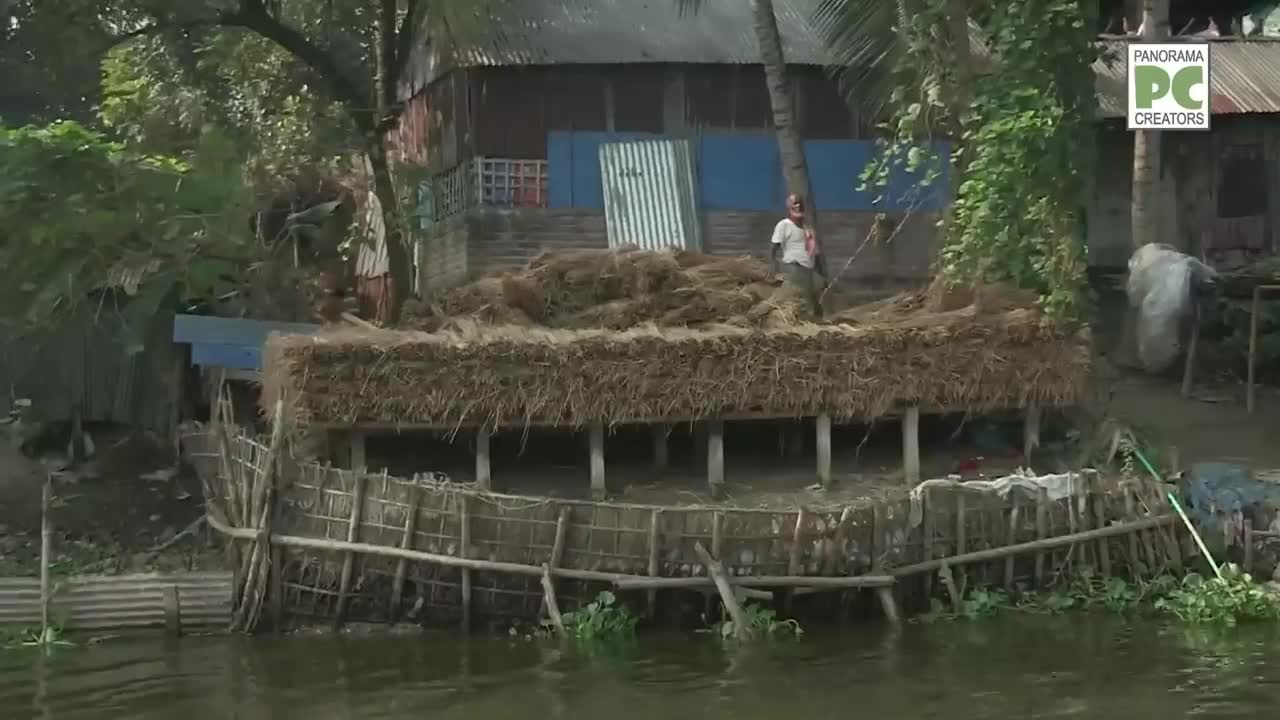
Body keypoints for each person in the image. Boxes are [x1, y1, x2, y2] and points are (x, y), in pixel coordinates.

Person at [770, 193, 826, 318]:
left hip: (808, 269)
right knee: (801, 297)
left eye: (800, 203)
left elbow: (814, 253)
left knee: (815, 293)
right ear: (788, 206)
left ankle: (814, 319)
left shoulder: (807, 229)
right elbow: (774, 246)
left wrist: (820, 272)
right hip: (794, 266)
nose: (798, 205)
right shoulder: (784, 225)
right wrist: (773, 264)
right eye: (795, 203)